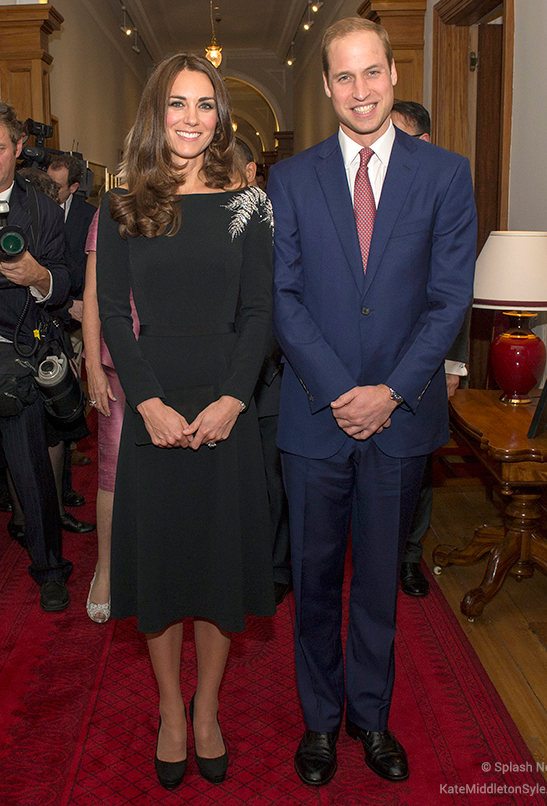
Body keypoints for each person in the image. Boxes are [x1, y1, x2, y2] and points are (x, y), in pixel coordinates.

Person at [267, 17, 476, 786]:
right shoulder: (289, 180)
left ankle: (371, 716)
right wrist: (339, 391)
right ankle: (320, 724)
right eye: (344, 77)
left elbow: (451, 297)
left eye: (372, 73)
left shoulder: (445, 175)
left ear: (394, 74)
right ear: (326, 87)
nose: (360, 90)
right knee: (316, 580)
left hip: (401, 416)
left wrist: (389, 392)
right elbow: (283, 298)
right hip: (315, 419)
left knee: (380, 583)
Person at [96, 53, 275, 790]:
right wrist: (149, 403)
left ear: (221, 117)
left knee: (217, 569)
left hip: (227, 404)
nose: (192, 119)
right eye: (178, 104)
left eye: (206, 105)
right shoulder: (122, 202)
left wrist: (233, 400)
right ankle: (171, 709)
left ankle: (207, 711)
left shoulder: (250, 204)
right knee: (166, 571)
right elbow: (109, 315)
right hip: (155, 405)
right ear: (156, 111)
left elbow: (261, 312)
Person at [391, 100, 470, 597]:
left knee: (418, 469)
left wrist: (452, 365)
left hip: (425, 360)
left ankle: (409, 556)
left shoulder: (446, 187)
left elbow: (455, 293)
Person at [0, 101, 72, 612]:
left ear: (18, 149)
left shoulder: (41, 207)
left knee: (31, 471)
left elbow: (65, 279)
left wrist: (39, 278)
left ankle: (50, 567)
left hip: (17, 360)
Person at [235, 140, 292, 606]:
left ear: (251, 172)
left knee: (273, 481)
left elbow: (284, 302)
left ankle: (274, 567)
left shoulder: (280, 220)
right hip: (216, 376)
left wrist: (256, 365)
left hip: (269, 378)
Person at [82, 208, 139, 622]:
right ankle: (106, 567)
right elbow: (92, 294)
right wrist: (93, 366)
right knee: (113, 469)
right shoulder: (113, 210)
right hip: (117, 359)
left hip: (175, 360)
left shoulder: (197, 199)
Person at [48, 153, 96, 469]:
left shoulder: (89, 215)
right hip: (48, 311)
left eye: (57, 187)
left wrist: (80, 305)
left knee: (72, 383)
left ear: (74, 186)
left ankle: (71, 445)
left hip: (79, 315)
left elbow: (87, 271)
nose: (50, 192)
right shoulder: (33, 210)